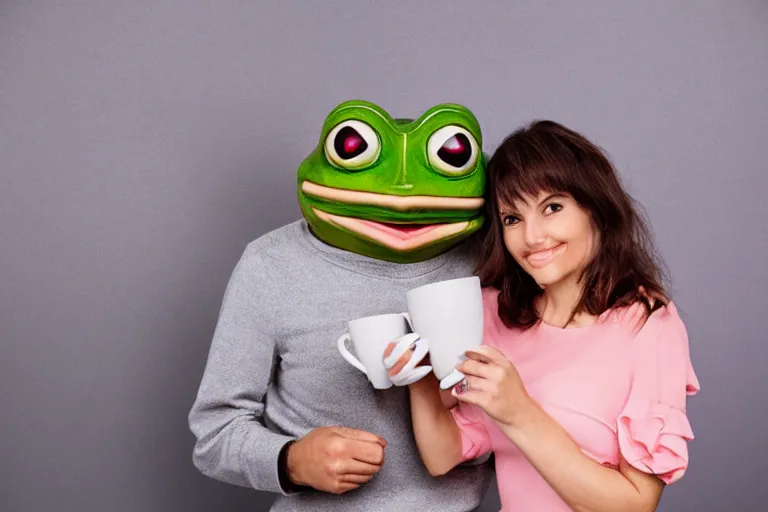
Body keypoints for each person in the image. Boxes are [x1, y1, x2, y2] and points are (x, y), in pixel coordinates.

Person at [188, 100, 493, 511]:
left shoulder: (496, 257)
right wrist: (292, 460)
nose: (402, 192)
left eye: (452, 153)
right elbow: (215, 432)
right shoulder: (271, 264)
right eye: (352, 146)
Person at [385, 120, 700, 511]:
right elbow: (442, 455)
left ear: (596, 209)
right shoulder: (491, 314)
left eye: (552, 207)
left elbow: (635, 505)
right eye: (512, 219)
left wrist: (519, 411)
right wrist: (419, 380)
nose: (532, 237)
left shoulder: (647, 324)